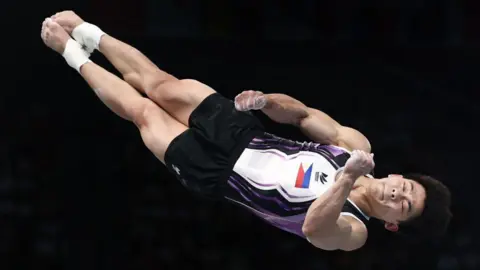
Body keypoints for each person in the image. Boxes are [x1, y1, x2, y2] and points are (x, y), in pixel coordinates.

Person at [41, 11, 452, 251]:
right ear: (400, 177)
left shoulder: (355, 229)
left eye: (404, 207)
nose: (398, 195)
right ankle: (88, 30)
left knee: (143, 113)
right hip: (246, 133)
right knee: (161, 84)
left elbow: (313, 227)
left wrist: (346, 177)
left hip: (219, 175)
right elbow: (302, 115)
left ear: (393, 224)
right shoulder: (354, 146)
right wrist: (267, 102)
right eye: (407, 189)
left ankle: (72, 54)